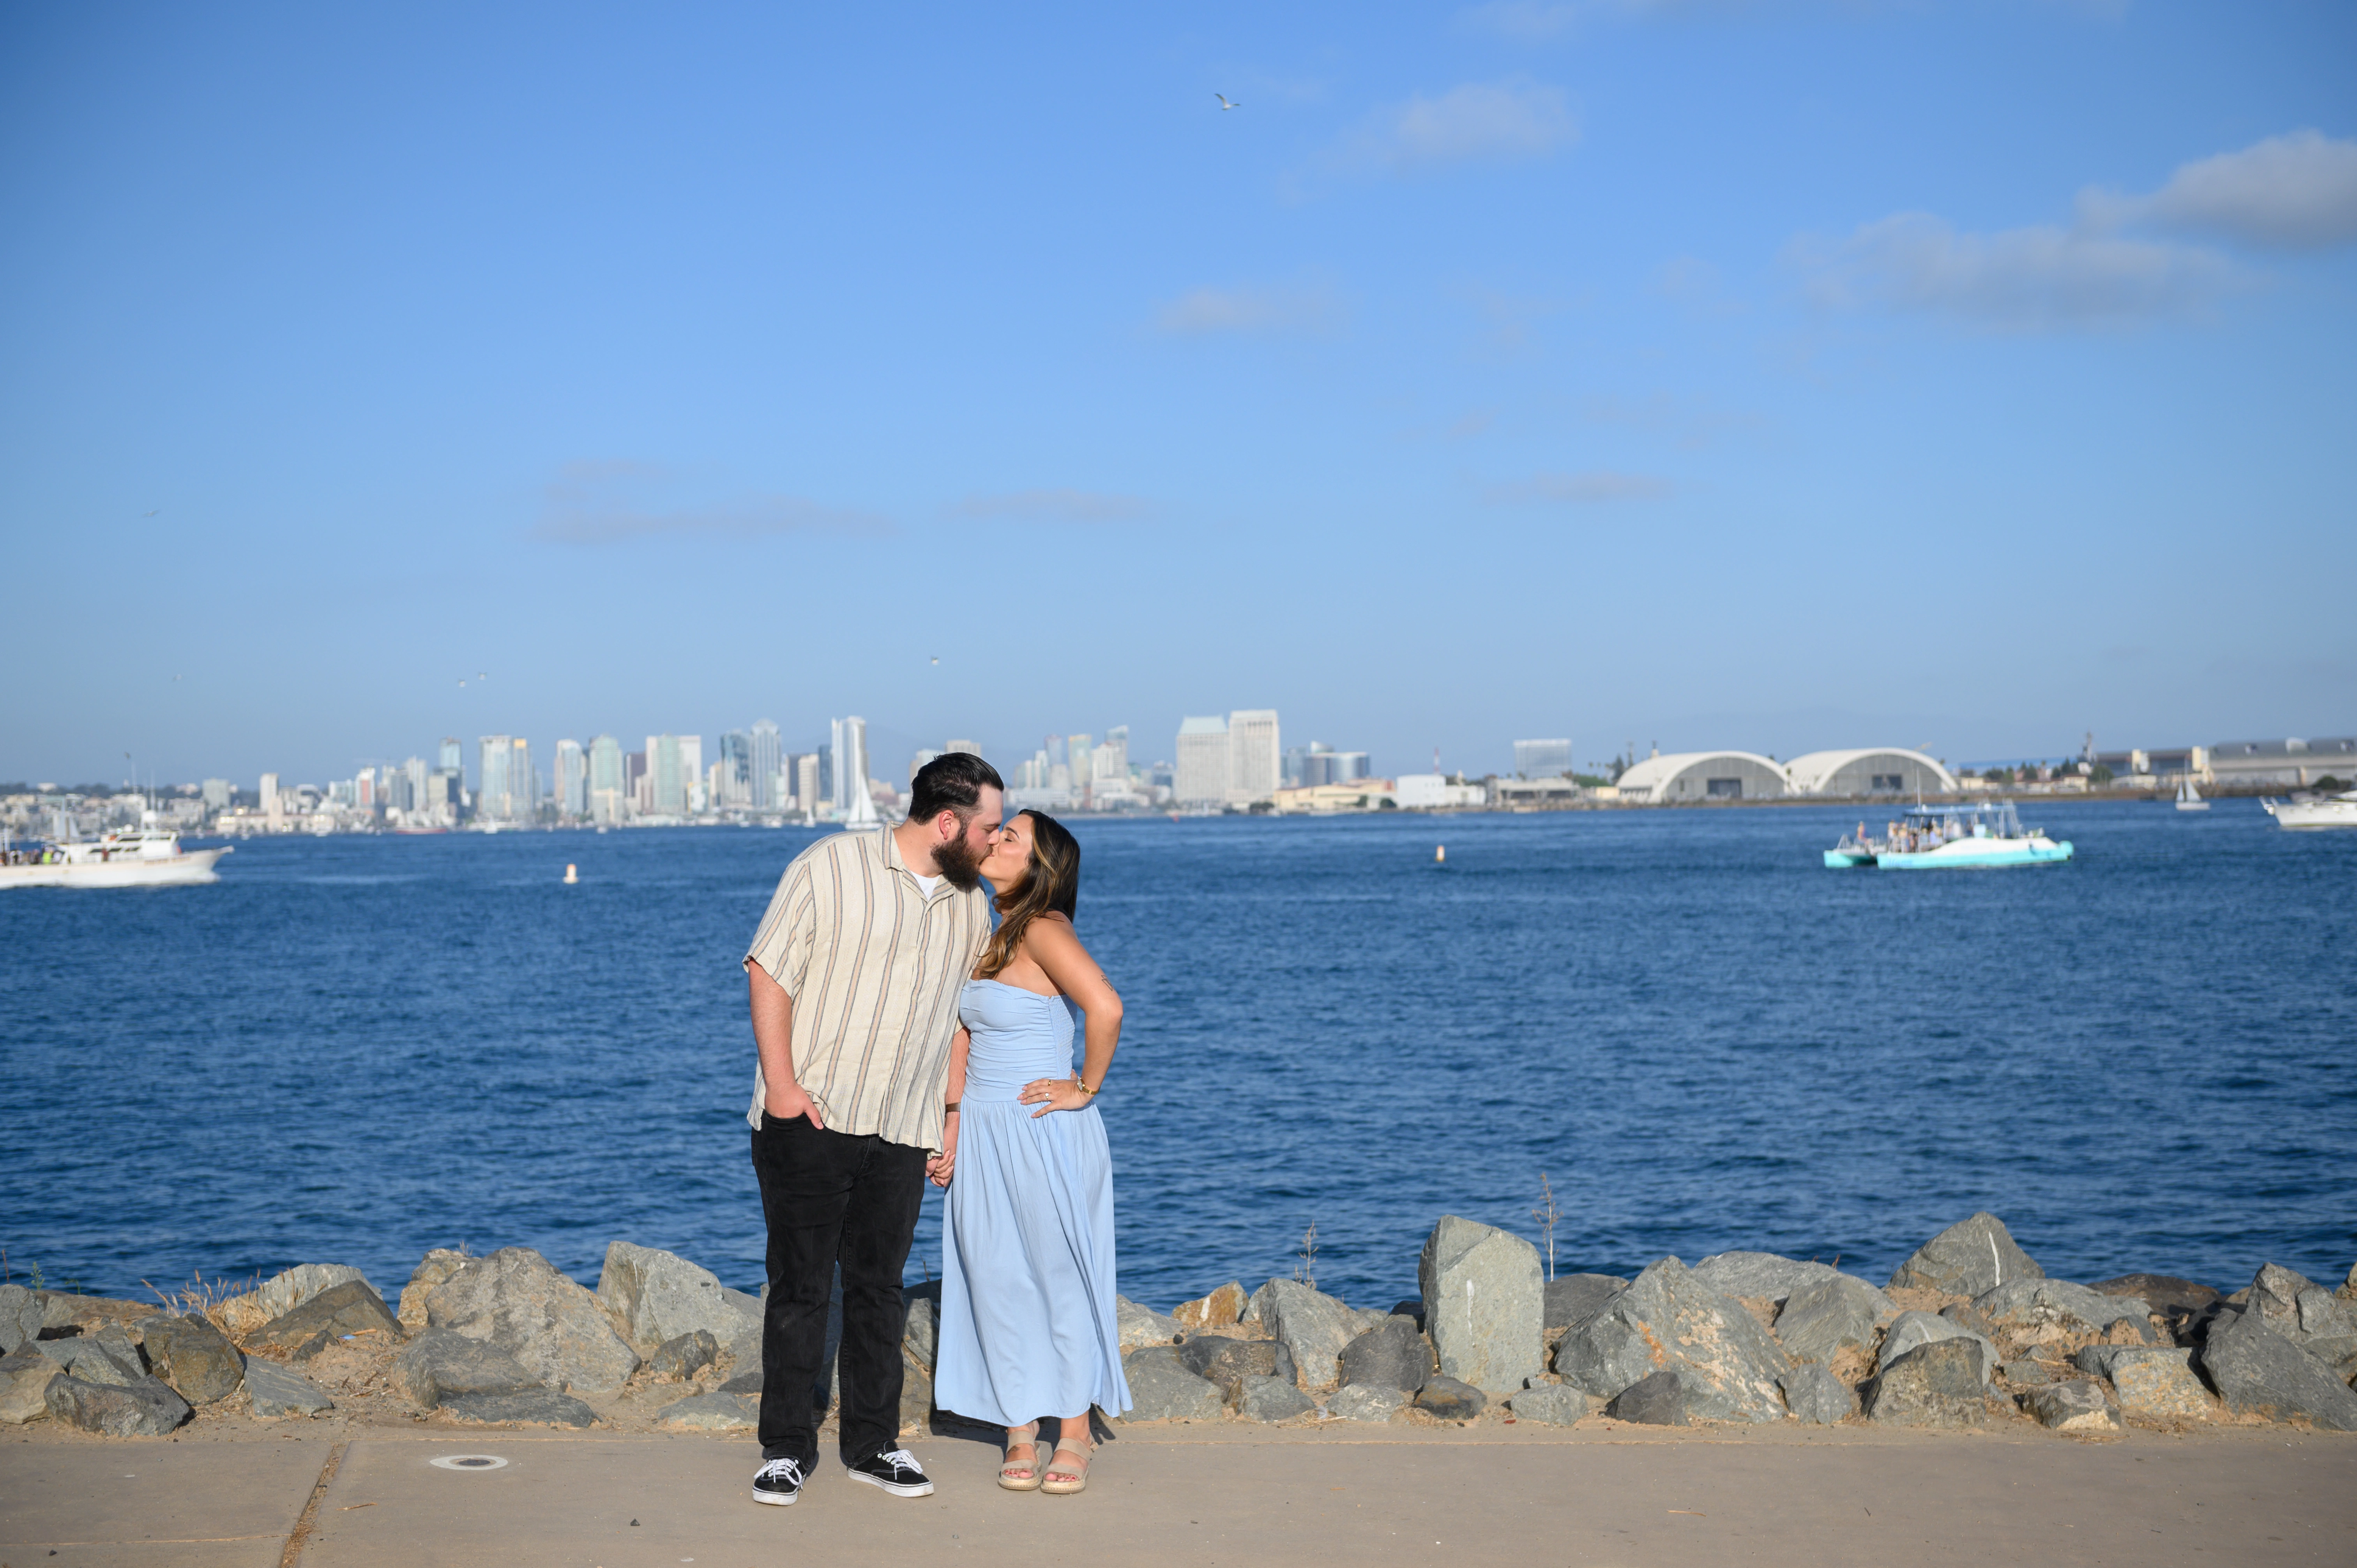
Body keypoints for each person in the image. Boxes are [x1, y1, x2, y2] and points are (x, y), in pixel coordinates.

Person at [740, 752, 1004, 1508]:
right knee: (799, 1285)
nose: (994, 840)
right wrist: (784, 1087)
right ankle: (784, 1447)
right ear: (948, 821)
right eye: (988, 826)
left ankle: (872, 1443)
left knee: (878, 1287)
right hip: (813, 1114)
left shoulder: (969, 903)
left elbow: (962, 1019)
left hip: (904, 1122)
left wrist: (951, 1114)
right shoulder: (829, 864)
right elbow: (768, 970)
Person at [929, 809, 1130, 1497]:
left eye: (1012, 837)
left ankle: (1073, 1432)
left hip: (1041, 1127)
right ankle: (1020, 1426)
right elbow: (962, 1034)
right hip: (984, 1129)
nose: (996, 840)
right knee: (994, 1275)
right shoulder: (988, 931)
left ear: (1041, 869)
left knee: (1056, 1275)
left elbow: (1105, 1006)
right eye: (1000, 830)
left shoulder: (1044, 928)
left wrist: (1085, 1088)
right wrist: (951, 1124)